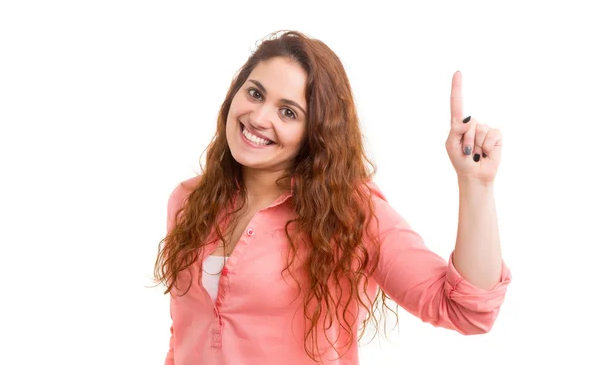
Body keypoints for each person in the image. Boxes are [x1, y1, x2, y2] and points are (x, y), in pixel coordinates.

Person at [153, 30, 512, 365]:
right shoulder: (188, 200)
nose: (259, 117)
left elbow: (466, 309)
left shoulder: (350, 213)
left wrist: (475, 185)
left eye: (288, 112)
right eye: (256, 93)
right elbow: (184, 336)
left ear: (316, 131)